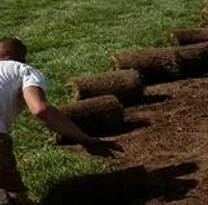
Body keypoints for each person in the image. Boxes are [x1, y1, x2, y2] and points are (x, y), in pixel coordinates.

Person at [1, 38, 121, 204]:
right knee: (14, 197)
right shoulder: (22, 69)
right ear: (22, 57)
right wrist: (84, 138)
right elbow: (40, 109)